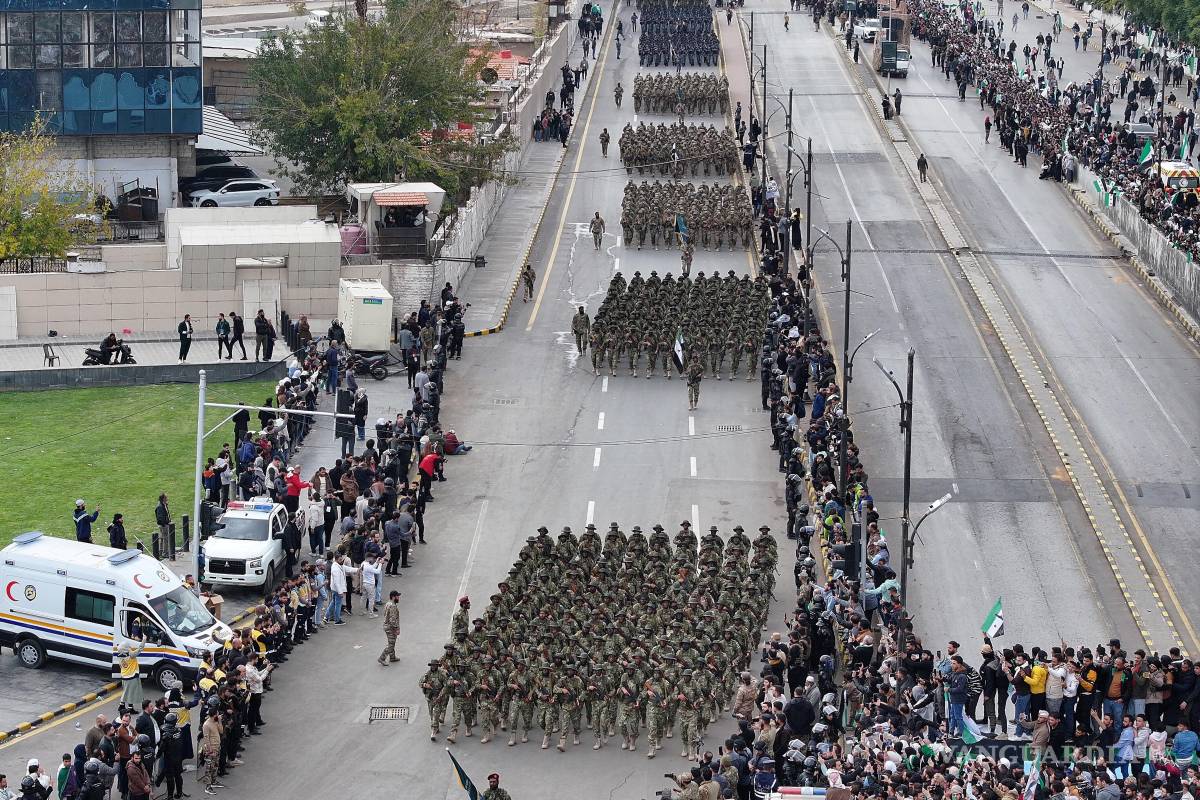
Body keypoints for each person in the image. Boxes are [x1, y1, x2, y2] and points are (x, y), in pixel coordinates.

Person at [378, 590, 401, 665]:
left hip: (387, 625)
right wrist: (396, 628)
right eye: (397, 596)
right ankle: (382, 658)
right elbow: (392, 619)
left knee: (392, 641)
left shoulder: (388, 603)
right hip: (390, 627)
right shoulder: (393, 606)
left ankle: (392, 657)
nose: (399, 598)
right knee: (391, 644)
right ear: (393, 597)